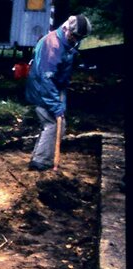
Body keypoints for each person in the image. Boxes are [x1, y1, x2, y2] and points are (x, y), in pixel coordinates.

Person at [26, 15, 91, 171]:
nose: (76, 40)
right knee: (53, 124)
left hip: (56, 87)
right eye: (74, 36)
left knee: (57, 124)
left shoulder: (69, 41)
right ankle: (40, 163)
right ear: (66, 28)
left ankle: (40, 158)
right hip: (42, 89)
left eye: (80, 38)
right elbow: (45, 79)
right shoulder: (52, 45)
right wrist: (56, 105)